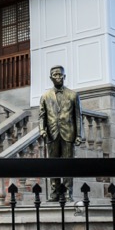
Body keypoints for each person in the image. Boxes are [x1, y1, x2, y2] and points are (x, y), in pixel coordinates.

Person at [39, 65, 82, 201]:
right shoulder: (45, 96)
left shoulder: (73, 95)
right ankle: (55, 192)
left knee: (68, 165)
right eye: (55, 75)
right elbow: (42, 115)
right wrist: (41, 129)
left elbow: (78, 117)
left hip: (68, 134)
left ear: (64, 76)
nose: (58, 77)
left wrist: (79, 135)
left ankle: (68, 192)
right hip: (52, 134)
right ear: (51, 78)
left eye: (60, 75)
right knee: (53, 165)